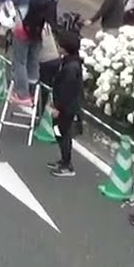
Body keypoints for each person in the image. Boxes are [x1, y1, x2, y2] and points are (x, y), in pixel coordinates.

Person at [47, 31, 84, 178]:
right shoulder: (70, 62)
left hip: (65, 109)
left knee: (63, 134)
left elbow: (66, 91)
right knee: (58, 132)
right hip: (64, 107)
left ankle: (67, 164)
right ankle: (63, 160)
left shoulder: (70, 67)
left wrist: (58, 107)